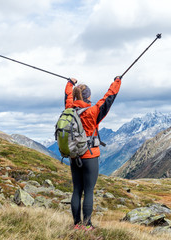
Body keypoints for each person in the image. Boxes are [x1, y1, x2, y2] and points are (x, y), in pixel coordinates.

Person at [64, 76, 121, 230]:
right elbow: (109, 98)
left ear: (76, 96)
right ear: (88, 96)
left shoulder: (69, 110)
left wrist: (70, 84)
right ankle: (87, 225)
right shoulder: (93, 111)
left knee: (77, 189)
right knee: (88, 191)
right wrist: (116, 82)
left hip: (74, 155)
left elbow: (68, 97)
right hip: (90, 155)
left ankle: (76, 225)